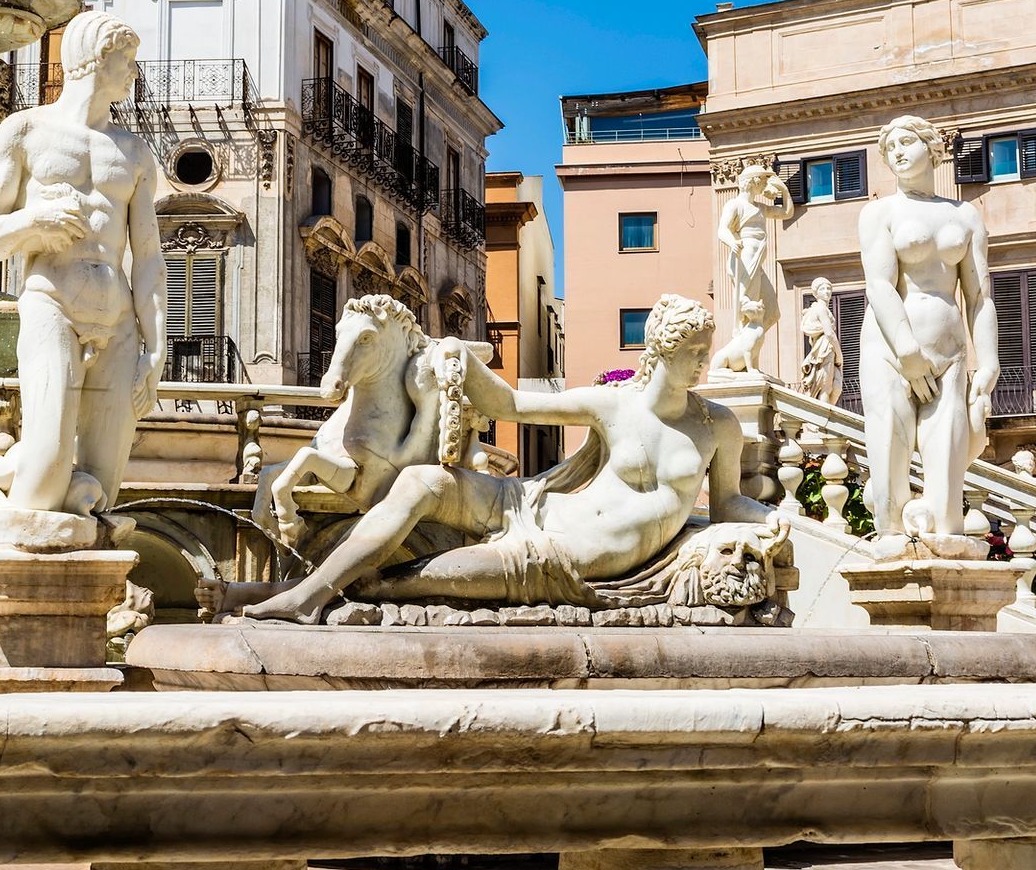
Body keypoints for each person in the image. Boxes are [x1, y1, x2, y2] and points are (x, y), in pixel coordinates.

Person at [219, 294, 753, 623]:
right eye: (694, 353)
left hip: (561, 556)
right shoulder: (613, 404)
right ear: (660, 350)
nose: (705, 363)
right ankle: (302, 599)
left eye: (706, 352)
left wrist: (775, 517)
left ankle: (287, 593)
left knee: (403, 583)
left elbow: (729, 505)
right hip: (528, 503)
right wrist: (455, 353)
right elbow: (510, 404)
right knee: (422, 481)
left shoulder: (717, 426)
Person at [0, 10, 164, 527]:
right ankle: (10, 473)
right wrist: (35, 219)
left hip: (120, 320)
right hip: (51, 303)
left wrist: (157, 348)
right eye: (126, 61)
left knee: (103, 490)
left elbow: (148, 256)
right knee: (48, 477)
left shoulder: (134, 152)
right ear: (95, 61)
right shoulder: (26, 131)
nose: (134, 73)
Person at [858, 115, 998, 538]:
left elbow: (980, 297)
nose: (897, 152)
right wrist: (906, 350)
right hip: (891, 352)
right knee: (888, 465)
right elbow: (880, 286)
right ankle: (890, 550)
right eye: (890, 148)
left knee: (948, 486)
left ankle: (945, 557)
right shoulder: (879, 212)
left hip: (949, 352)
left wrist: (989, 361)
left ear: (931, 147)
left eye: (906, 142)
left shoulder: (966, 216)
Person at [708, 164, 793, 377]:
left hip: (757, 258)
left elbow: (786, 212)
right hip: (745, 256)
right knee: (745, 307)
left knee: (771, 311)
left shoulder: (761, 208)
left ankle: (746, 349)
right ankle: (742, 357)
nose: (765, 184)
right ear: (753, 181)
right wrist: (732, 241)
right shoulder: (735, 204)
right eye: (762, 180)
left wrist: (783, 190)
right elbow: (722, 229)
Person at [799, 277, 843, 404]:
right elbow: (829, 333)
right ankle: (824, 420)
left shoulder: (820, 309)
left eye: (829, 288)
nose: (827, 291)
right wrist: (840, 355)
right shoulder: (821, 309)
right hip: (825, 349)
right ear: (816, 293)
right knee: (825, 388)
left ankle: (828, 416)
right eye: (822, 289)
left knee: (836, 387)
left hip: (825, 349)